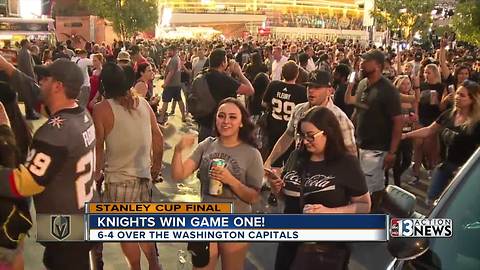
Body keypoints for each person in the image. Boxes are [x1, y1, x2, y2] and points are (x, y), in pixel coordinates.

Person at [0, 57, 96, 270]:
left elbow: (25, 183)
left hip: (65, 226)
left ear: (58, 86)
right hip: (85, 216)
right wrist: (8, 68)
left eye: (45, 78)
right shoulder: (81, 114)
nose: (40, 81)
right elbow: (36, 94)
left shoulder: (54, 133)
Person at [267, 107, 371, 270]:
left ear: (328, 133)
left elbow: (364, 205)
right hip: (289, 242)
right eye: (302, 135)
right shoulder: (296, 156)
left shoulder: (346, 163)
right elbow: (289, 199)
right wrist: (277, 189)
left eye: (311, 136)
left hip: (325, 247)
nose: (305, 141)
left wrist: (330, 212)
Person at [172, 98, 263, 270]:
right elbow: (179, 174)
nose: (226, 121)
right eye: (221, 116)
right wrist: (178, 150)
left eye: (232, 117)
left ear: (241, 123)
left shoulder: (252, 154)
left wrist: (231, 181)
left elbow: (254, 197)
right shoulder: (207, 145)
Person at [92, 62, 163, 270]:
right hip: (143, 177)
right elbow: (158, 140)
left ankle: (136, 267)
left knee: (128, 232)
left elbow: (98, 147)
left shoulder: (101, 109)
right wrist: (155, 169)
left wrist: (96, 175)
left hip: (119, 180)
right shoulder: (142, 103)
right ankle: (154, 263)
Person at [402, 80, 480, 206]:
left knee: (457, 205)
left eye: (462, 95)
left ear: (472, 100)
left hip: (464, 171)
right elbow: (429, 130)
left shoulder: (477, 123)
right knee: (431, 201)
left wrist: (467, 170)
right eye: (457, 94)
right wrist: (405, 135)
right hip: (444, 166)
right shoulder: (449, 114)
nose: (457, 97)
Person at [264, 70, 357, 170]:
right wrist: (269, 161)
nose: (311, 90)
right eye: (309, 86)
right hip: (300, 170)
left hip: (327, 175)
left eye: (317, 87)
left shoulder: (339, 118)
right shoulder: (299, 110)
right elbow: (288, 135)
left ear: (329, 90)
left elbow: (351, 155)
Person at [345, 49, 402, 202]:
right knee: (368, 186)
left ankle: (372, 217)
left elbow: (398, 122)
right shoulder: (363, 84)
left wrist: (392, 152)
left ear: (377, 65)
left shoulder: (389, 90)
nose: (361, 64)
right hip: (360, 144)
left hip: (377, 149)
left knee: (368, 190)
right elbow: (358, 109)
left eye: (365, 61)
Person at [195, 48, 254, 142]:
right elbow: (250, 90)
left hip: (203, 123)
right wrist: (239, 73)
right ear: (223, 63)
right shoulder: (223, 79)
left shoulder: (203, 74)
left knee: (204, 153)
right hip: (218, 126)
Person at [262, 61, 307, 167]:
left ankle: (271, 180)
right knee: (289, 160)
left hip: (273, 126)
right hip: (290, 130)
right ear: (297, 74)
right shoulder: (301, 91)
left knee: (274, 159)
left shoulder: (273, 85)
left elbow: (264, 103)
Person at [412, 63, 444, 184]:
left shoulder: (441, 87)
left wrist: (436, 101)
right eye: (425, 72)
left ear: (435, 73)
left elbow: (442, 106)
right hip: (422, 117)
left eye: (428, 72)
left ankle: (431, 167)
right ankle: (416, 173)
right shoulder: (422, 85)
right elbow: (416, 102)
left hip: (434, 119)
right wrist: (416, 116)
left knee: (430, 148)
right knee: (418, 145)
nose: (426, 74)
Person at [387, 75, 418, 187]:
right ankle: (396, 184)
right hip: (396, 133)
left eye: (408, 83)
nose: (406, 86)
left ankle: (397, 175)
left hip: (408, 133)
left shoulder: (412, 98)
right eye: (403, 83)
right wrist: (404, 118)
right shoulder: (394, 98)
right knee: (396, 160)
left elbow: (416, 115)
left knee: (408, 160)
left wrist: (414, 119)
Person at [159, 44, 187, 123]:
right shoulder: (176, 59)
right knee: (179, 99)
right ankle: (183, 116)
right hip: (176, 84)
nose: (168, 52)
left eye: (169, 51)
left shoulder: (174, 60)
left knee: (165, 101)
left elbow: (171, 73)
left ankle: (161, 118)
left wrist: (165, 83)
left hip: (171, 85)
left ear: (174, 51)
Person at [17, 39, 39, 120]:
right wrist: (33, 78)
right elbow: (29, 67)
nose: (30, 44)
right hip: (27, 77)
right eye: (29, 42)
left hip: (23, 76)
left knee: (27, 95)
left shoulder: (20, 52)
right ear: (26, 43)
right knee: (29, 95)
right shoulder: (26, 52)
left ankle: (30, 112)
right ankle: (30, 113)